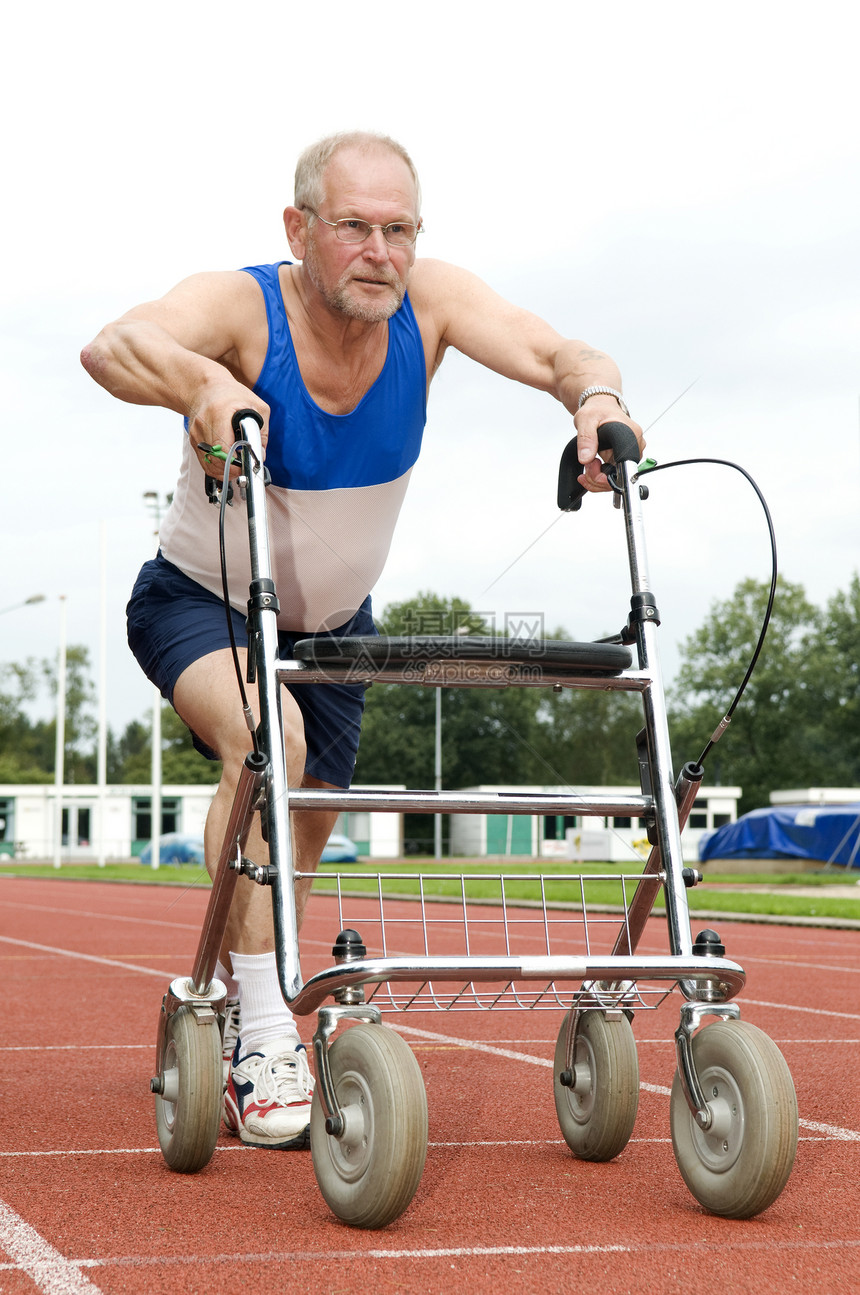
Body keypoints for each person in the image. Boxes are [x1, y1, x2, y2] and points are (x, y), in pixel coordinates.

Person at [81, 130, 644, 1150]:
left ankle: (221, 987)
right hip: (199, 600)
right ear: (299, 228)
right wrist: (199, 384)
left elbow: (559, 349)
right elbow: (114, 343)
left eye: (398, 229)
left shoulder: (430, 305)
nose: (378, 251)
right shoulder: (241, 306)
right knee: (271, 749)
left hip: (338, 631)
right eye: (353, 227)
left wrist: (593, 399)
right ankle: (261, 1035)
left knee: (293, 846)